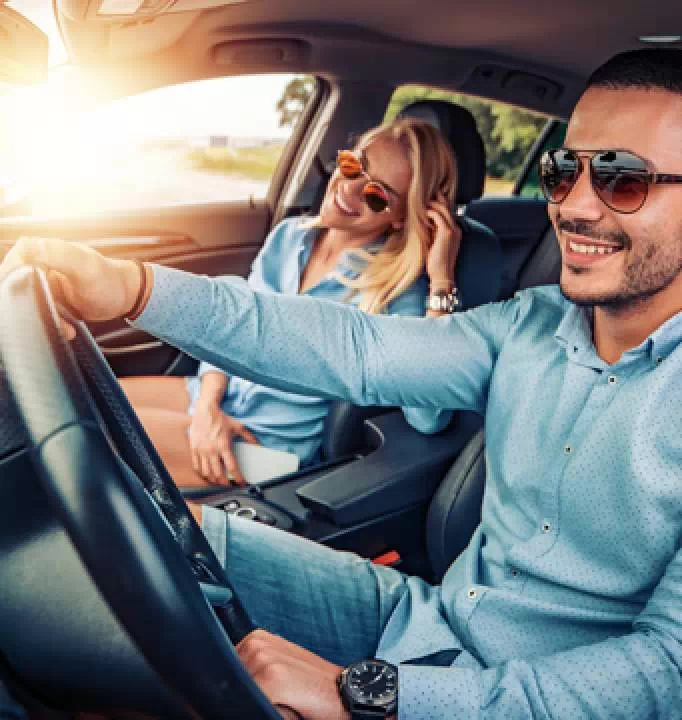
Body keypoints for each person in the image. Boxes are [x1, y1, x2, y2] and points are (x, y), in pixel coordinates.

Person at [2, 47, 681, 719]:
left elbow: (667, 669)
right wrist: (133, 287)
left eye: (622, 179)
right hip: (423, 617)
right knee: (158, 530)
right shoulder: (529, 324)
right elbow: (354, 346)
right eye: (563, 171)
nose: (574, 207)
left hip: (519, 698)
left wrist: (368, 695)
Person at [120, 117, 461, 487]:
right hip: (218, 397)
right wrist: (207, 407)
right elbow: (229, 326)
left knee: (95, 435)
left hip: (263, 445)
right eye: (354, 166)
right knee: (89, 394)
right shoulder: (289, 236)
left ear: (401, 218)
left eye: (377, 194)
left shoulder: (395, 294)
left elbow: (428, 418)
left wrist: (441, 281)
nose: (349, 189)